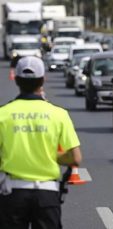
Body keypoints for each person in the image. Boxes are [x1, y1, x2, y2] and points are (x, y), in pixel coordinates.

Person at [0, 56, 82, 229]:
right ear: (43, 79)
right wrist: (50, 155)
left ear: (16, 79)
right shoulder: (59, 114)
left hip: (12, 193)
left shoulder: (3, 114)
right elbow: (75, 158)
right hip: (47, 194)